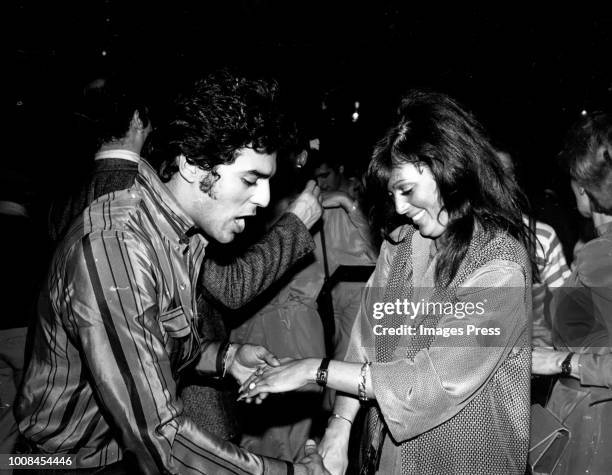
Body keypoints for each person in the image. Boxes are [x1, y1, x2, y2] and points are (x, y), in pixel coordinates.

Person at [16, 71, 329, 475]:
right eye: (251, 179)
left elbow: (157, 345)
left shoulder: (178, 236)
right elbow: (160, 435)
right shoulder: (118, 246)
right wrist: (289, 473)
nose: (265, 199)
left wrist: (226, 358)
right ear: (194, 168)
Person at [240, 90, 534, 474]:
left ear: (450, 169)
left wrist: (313, 369)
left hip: (463, 458)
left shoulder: (499, 265)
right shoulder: (404, 245)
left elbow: (429, 386)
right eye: (393, 193)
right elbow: (367, 338)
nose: (399, 208)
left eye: (407, 190)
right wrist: (341, 425)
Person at [532, 111, 612, 474]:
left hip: (592, 424)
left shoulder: (601, 255)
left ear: (583, 184)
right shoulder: (592, 247)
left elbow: (567, 341)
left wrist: (562, 362)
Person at [496, 150, 571, 347]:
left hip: (535, 364)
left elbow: (567, 307)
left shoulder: (541, 237)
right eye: (492, 172)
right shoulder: (459, 242)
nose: (502, 182)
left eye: (508, 172)